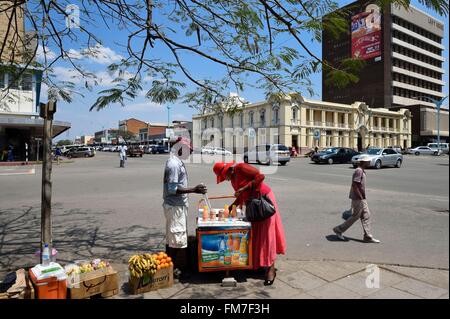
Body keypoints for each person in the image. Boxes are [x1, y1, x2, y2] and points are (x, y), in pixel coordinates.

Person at [213, 161, 286, 285]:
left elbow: (260, 176)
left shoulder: (241, 168)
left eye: (224, 176)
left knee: (266, 236)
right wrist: (229, 209)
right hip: (252, 204)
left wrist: (244, 187)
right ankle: (259, 264)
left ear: (228, 170)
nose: (225, 179)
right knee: (255, 234)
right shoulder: (232, 180)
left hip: (263, 201)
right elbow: (241, 197)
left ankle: (271, 269)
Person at [163, 136, 207, 279]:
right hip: (175, 207)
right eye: (188, 150)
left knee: (175, 238)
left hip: (178, 206)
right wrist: (194, 190)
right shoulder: (174, 164)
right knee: (176, 239)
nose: (190, 153)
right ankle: (173, 269)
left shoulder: (178, 162)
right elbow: (172, 189)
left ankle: (173, 267)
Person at [333, 159, 380, 243]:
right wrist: (361, 197)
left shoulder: (362, 170)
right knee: (355, 216)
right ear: (364, 162)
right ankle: (338, 229)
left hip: (361, 198)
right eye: (368, 161)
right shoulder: (359, 171)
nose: (369, 162)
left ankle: (367, 236)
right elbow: (355, 185)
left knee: (366, 215)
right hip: (358, 198)